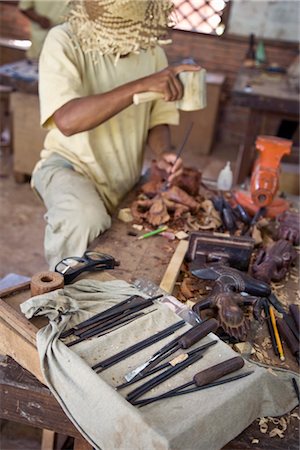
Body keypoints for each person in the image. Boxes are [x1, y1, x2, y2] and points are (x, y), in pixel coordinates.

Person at [31, 0, 200, 270]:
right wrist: (141, 84)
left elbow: (157, 120)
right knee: (83, 218)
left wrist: (163, 153)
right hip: (69, 167)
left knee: (124, 256)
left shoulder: (150, 48)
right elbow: (67, 120)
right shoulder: (64, 40)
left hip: (123, 176)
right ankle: (62, 296)